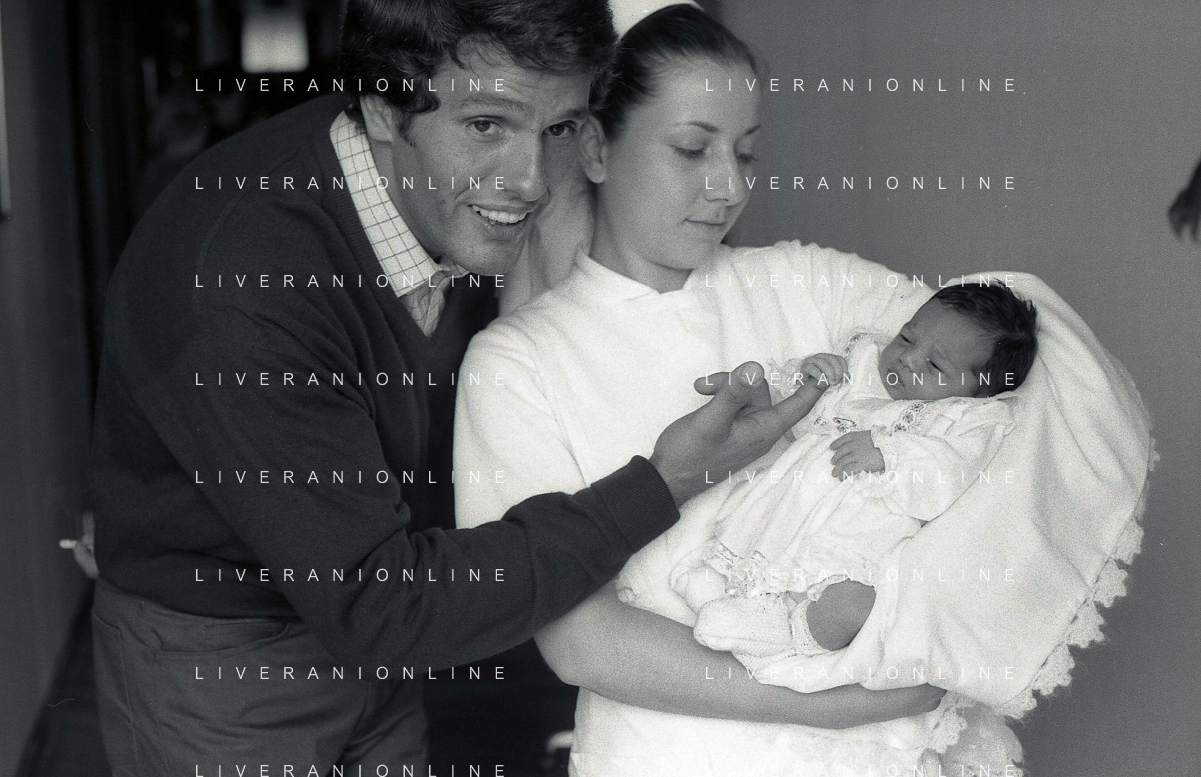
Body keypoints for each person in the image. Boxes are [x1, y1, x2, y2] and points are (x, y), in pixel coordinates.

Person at [87, 2, 821, 774]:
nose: (529, 182)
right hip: (226, 661)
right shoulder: (248, 281)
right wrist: (662, 483)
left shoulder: (436, 194)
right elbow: (377, 606)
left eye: (559, 128)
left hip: (382, 628)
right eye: (486, 125)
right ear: (381, 108)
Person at [455, 4, 1153, 776]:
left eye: (746, 153)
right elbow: (582, 641)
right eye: (691, 149)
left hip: (887, 754)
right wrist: (839, 696)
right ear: (594, 147)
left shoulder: (808, 282)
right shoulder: (516, 364)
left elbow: (1024, 359)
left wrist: (935, 604)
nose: (728, 186)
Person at [676, 282, 1039, 668]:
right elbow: (794, 421)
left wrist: (890, 455)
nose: (907, 359)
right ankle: (728, 584)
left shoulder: (965, 417)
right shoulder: (861, 363)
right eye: (906, 338)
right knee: (753, 525)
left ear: (978, 391)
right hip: (792, 496)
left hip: (856, 533)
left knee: (851, 605)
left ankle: (790, 631)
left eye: (934, 366)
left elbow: (951, 472)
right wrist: (809, 378)